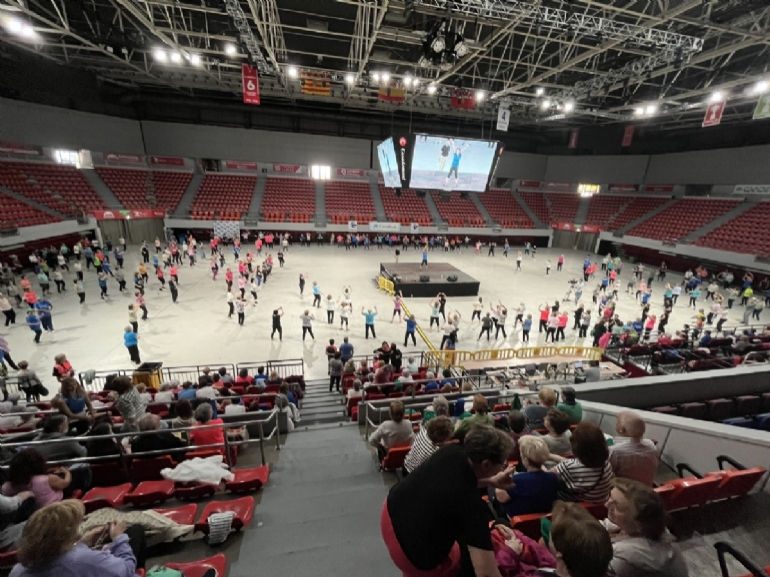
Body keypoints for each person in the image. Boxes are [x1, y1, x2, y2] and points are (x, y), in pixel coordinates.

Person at [381, 426, 516, 577]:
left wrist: (491, 481)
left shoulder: (451, 451)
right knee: (460, 560)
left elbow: (457, 482)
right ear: (486, 464)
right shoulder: (473, 507)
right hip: (411, 556)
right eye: (502, 464)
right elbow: (486, 573)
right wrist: (511, 552)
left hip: (390, 511)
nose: (503, 467)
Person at [11, 499, 146, 577]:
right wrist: (119, 538)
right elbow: (126, 569)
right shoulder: (82, 559)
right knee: (136, 531)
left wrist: (80, 543)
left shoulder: (18, 571)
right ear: (65, 532)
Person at [605, 478, 689, 577]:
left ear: (638, 524)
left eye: (617, 506)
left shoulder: (626, 560)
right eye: (610, 498)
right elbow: (606, 524)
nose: (606, 504)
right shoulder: (650, 525)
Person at [494, 436, 558, 518]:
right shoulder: (553, 477)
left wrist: (502, 476)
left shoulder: (517, 480)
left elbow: (501, 498)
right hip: (544, 520)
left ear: (526, 460)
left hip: (516, 522)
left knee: (492, 489)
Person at [2, 449, 92, 507]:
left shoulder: (6, 486)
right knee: (82, 471)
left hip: (34, 513)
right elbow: (66, 483)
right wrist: (67, 472)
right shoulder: (46, 479)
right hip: (58, 506)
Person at [550, 422, 614, 503]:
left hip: (575, 504)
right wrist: (550, 456)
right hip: (600, 505)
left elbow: (546, 477)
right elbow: (573, 465)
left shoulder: (569, 467)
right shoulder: (606, 463)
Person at [609, 411, 660, 487]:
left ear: (621, 429)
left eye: (617, 422)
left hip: (624, 494)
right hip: (647, 491)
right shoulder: (652, 445)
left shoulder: (615, 451)